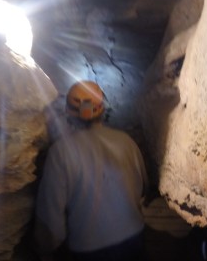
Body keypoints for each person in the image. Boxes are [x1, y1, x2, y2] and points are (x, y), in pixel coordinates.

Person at [34, 80, 148, 261]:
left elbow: (51, 223)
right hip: (135, 238)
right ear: (102, 110)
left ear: (68, 112)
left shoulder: (61, 152)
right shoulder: (126, 142)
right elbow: (142, 190)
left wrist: (45, 250)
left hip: (90, 250)